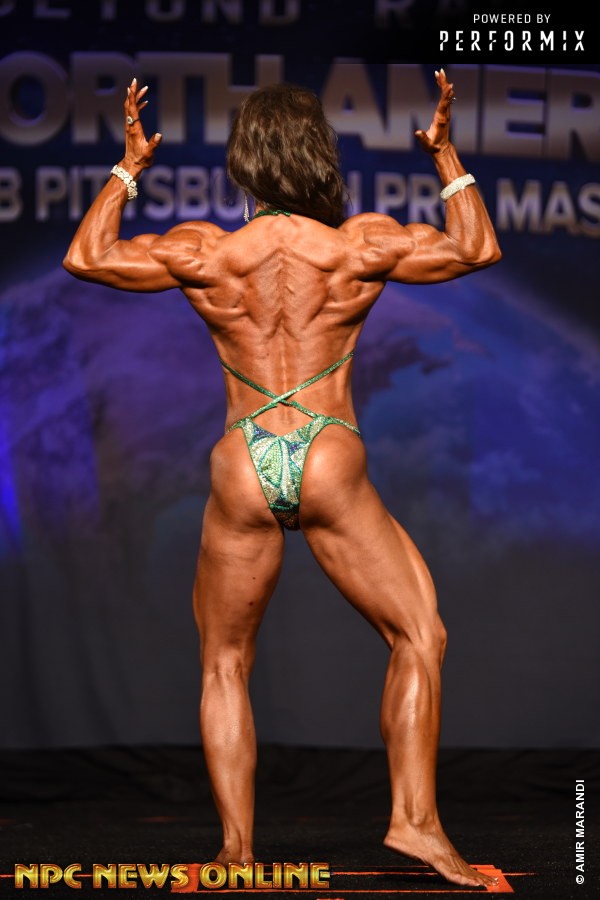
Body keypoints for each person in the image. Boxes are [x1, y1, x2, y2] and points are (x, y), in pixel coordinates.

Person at [63, 70, 501, 888]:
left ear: (244, 165)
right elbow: (475, 247)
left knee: (224, 663)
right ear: (319, 158)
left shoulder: (208, 252)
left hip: (243, 459)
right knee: (419, 635)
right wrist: (445, 156)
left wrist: (128, 167)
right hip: (329, 452)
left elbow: (87, 256)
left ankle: (236, 851)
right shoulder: (358, 245)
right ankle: (414, 824)